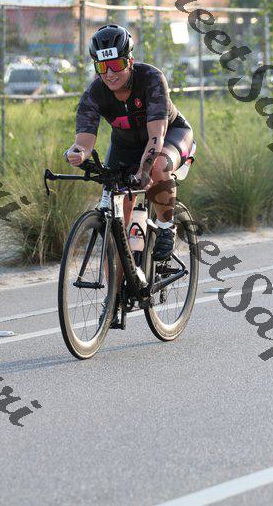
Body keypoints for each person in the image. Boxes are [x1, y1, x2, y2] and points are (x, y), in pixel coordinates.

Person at [65, 24, 194, 317]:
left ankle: (166, 226)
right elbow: (83, 142)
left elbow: (156, 137)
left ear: (130, 61)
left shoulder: (151, 79)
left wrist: (143, 173)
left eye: (116, 64)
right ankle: (113, 300)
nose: (110, 73)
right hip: (125, 147)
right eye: (102, 67)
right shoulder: (95, 92)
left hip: (169, 137)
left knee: (157, 167)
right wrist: (77, 153)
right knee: (115, 222)